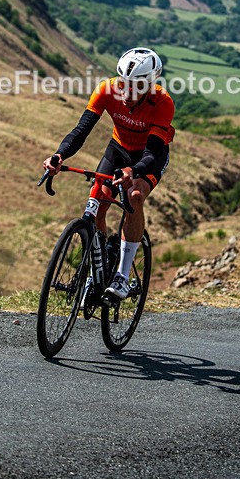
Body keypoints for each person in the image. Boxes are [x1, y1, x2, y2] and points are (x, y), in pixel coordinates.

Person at [43, 47, 175, 300]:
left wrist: (133, 171)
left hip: (148, 157)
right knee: (96, 204)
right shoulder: (106, 89)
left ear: (149, 85)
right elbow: (81, 131)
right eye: (124, 84)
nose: (126, 93)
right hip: (118, 150)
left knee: (134, 196)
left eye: (136, 87)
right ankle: (99, 266)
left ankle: (122, 276)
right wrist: (59, 156)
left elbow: (152, 152)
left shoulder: (162, 102)